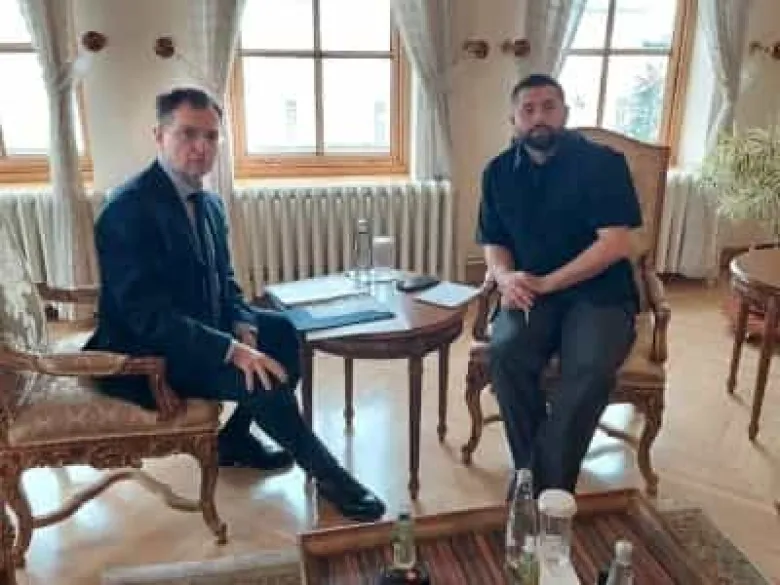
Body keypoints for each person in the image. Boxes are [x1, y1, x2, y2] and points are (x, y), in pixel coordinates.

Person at [85, 87, 386, 522]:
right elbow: (147, 318)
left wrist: (244, 325)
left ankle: (236, 439)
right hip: (147, 356)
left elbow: (225, 282)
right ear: (159, 135)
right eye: (188, 134)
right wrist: (231, 349)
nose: (201, 147)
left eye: (211, 137)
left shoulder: (209, 204)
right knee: (257, 378)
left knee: (282, 332)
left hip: (198, 330)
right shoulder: (126, 210)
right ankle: (329, 476)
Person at [476, 73, 642, 495]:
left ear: (565, 113)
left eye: (549, 107)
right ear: (513, 120)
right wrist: (505, 276)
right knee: (507, 353)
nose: (539, 117)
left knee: (589, 368)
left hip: (600, 293)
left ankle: (539, 489)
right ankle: (538, 478)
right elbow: (494, 242)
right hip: (531, 292)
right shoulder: (497, 172)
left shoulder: (603, 164)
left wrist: (548, 283)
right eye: (528, 109)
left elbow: (615, 244)